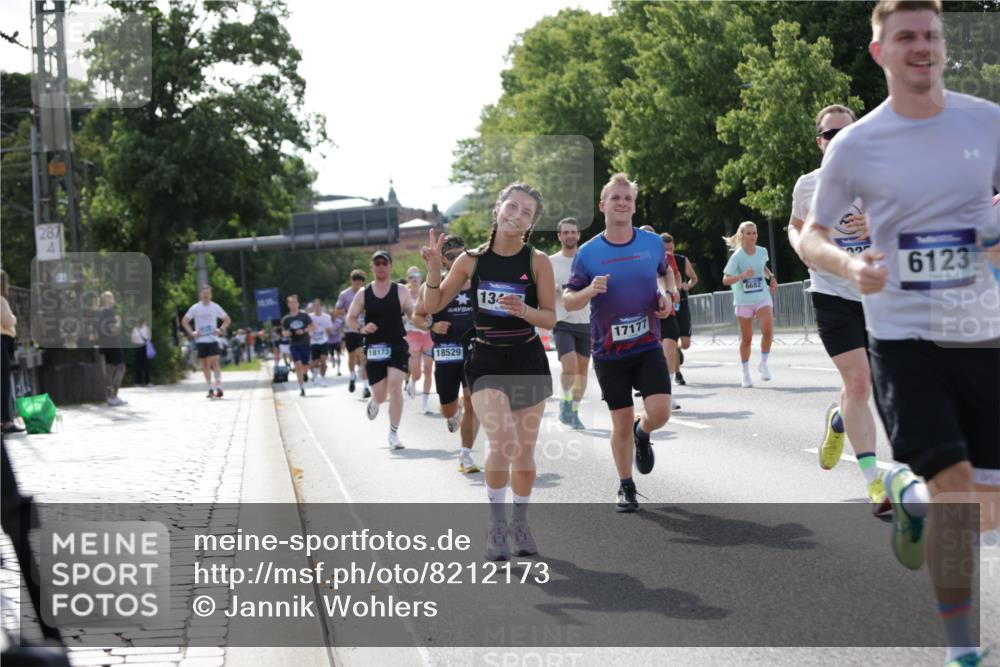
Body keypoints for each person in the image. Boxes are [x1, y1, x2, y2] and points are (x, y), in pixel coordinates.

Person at [799, 2, 999, 664]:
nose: (923, 46)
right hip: (904, 337)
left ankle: (906, 496)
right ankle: (963, 650)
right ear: (880, 50)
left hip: (979, 332)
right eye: (905, 36)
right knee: (956, 491)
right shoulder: (856, 145)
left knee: (982, 508)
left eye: (932, 35)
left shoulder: (985, 121)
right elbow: (813, 237)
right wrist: (852, 265)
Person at [422, 183, 556, 560]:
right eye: (512, 205)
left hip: (527, 359)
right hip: (486, 360)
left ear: (530, 224)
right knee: (504, 442)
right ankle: (496, 522)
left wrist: (524, 311)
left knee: (525, 453)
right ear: (498, 208)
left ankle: (520, 521)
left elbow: (549, 317)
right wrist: (434, 271)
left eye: (526, 212)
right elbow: (433, 305)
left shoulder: (538, 261)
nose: (517, 213)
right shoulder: (470, 261)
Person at [787, 103, 890, 515]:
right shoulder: (808, 186)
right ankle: (874, 482)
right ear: (820, 142)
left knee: (868, 386)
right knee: (860, 382)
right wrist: (802, 248)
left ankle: (839, 419)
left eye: (847, 132)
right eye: (830, 134)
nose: (838, 140)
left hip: (879, 294)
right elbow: (796, 226)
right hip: (831, 293)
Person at [564, 173, 674, 513]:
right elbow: (569, 300)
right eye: (616, 198)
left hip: (647, 343)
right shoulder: (588, 252)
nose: (622, 203)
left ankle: (645, 433)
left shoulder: (651, 243)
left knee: (660, 413)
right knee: (620, 421)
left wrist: (669, 296)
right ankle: (626, 486)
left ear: (634, 206)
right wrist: (589, 290)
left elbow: (666, 272)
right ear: (603, 205)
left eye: (628, 198)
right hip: (608, 351)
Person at [414, 234, 481, 473]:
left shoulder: (478, 282)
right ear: (443, 260)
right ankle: (454, 413)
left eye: (462, 255)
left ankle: (465, 456)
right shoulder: (432, 287)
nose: (457, 260)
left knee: (474, 400)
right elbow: (417, 315)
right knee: (448, 410)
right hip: (446, 353)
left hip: (474, 350)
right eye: (451, 257)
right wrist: (431, 326)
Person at [347, 250, 413, 450]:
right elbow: (350, 318)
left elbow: (413, 312)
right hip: (375, 346)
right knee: (381, 394)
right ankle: (376, 401)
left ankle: (393, 433)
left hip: (396, 344)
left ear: (390, 266)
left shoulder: (401, 290)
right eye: (377, 263)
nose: (381, 266)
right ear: (372, 267)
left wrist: (420, 319)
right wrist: (361, 328)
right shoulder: (363, 293)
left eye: (384, 262)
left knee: (395, 386)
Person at [722, 222, 778, 388]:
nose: (753, 236)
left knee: (768, 331)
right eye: (749, 233)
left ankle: (763, 363)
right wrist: (742, 275)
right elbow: (725, 280)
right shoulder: (737, 256)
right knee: (747, 339)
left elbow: (763, 268)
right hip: (743, 301)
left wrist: (772, 277)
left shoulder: (762, 251)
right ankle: (745, 372)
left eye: (754, 233)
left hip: (762, 296)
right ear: (742, 235)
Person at [549, 218, 591, 430]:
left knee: (582, 371)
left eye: (573, 232)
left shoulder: (587, 260)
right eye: (565, 232)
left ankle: (573, 410)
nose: (569, 236)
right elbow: (539, 293)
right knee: (571, 366)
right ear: (559, 236)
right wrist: (552, 291)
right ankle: (565, 400)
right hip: (562, 321)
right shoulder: (550, 262)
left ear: (578, 235)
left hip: (586, 322)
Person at [182, 285, 231, 399]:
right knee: (205, 366)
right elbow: (184, 321)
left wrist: (221, 330)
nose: (206, 295)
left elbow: (227, 320)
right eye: (204, 293)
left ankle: (218, 387)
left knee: (215, 363)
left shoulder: (215, 307)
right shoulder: (195, 308)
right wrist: (192, 333)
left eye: (208, 293)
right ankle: (210, 388)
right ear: (201, 295)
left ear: (211, 295)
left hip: (213, 340)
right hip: (201, 341)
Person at [663, 233, 699, 385]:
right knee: (670, 341)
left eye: (671, 248)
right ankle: (677, 373)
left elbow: (694, 278)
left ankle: (677, 349)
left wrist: (688, 285)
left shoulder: (682, 260)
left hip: (681, 304)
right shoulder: (657, 260)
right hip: (666, 306)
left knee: (685, 343)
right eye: (666, 249)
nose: (669, 252)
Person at [403, 266, 435, 413]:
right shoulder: (404, 295)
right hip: (412, 335)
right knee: (417, 372)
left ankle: (425, 403)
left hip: (428, 334)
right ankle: (412, 380)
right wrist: (406, 318)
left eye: (416, 276)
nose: (414, 279)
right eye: (411, 277)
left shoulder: (426, 291)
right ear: (408, 279)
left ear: (421, 278)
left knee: (428, 369)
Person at [335, 270, 370, 398]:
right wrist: (349, 310)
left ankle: (366, 387)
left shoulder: (367, 293)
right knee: (351, 357)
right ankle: (352, 376)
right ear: (352, 282)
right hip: (350, 330)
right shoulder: (344, 295)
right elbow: (337, 311)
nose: (358, 287)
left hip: (363, 328)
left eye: (360, 285)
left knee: (363, 356)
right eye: (356, 284)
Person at [658, 233, 683, 409]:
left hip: (668, 312)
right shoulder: (634, 258)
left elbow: (673, 277)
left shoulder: (667, 257)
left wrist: (674, 290)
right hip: (646, 314)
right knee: (654, 357)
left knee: (669, 351)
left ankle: (668, 394)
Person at [1, 270, 23, 434]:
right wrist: (14, 318)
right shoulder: (1, 300)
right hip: (2, 341)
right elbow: (8, 320)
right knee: (4, 382)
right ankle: (7, 422)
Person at [97, 291, 127, 406]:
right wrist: (119, 321)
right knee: (121, 368)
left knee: (109, 370)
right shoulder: (110, 313)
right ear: (110, 300)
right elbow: (114, 330)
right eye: (112, 298)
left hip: (104, 345)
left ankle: (109, 397)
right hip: (113, 344)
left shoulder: (100, 313)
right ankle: (114, 396)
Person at [281, 295, 314, 397]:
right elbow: (284, 333)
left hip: (305, 343)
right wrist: (291, 332)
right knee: (297, 365)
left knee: (305, 366)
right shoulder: (286, 319)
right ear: (288, 305)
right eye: (291, 303)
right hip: (294, 344)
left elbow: (312, 327)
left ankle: (305, 373)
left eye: (294, 302)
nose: (293, 304)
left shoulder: (304, 316)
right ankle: (302, 388)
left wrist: (303, 330)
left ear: (298, 304)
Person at [308, 298, 333, 387]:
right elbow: (307, 328)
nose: (317, 307)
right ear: (313, 307)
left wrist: (329, 330)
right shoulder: (310, 317)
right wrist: (310, 331)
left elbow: (330, 329)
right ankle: (314, 375)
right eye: (315, 305)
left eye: (318, 305)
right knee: (315, 363)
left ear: (321, 306)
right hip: (314, 342)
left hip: (324, 341)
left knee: (323, 360)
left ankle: (323, 379)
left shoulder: (326, 317)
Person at [130, 319, 153, 387]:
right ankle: (143, 382)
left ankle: (140, 382)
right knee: (142, 365)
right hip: (141, 346)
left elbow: (133, 340)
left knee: (142, 365)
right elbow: (149, 337)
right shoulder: (140, 329)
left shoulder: (138, 329)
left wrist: (136, 339)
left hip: (141, 346)